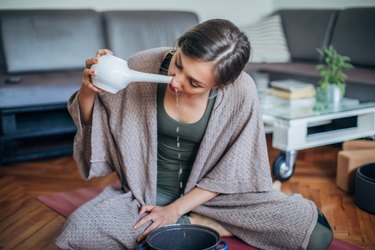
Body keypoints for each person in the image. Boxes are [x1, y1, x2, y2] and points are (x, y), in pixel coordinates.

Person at [56, 19, 333, 249]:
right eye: (178, 64)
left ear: (222, 85)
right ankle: (200, 225)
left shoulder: (241, 91)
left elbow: (234, 170)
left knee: (315, 235)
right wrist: (88, 90)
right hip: (144, 197)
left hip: (216, 200)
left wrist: (175, 211)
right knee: (78, 233)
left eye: (194, 83)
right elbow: (101, 123)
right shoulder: (143, 64)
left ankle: (201, 222)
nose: (176, 82)